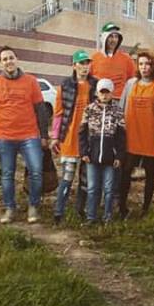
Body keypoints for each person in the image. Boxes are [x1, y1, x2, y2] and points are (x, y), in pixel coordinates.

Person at [0, 46, 50, 224]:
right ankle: (10, 208)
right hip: (4, 137)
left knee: (36, 171)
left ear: (16, 59)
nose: (8, 61)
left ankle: (33, 206)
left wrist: (44, 135)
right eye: (4, 59)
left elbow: (40, 110)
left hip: (30, 136)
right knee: (7, 174)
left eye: (11, 58)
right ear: (0, 63)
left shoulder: (31, 82)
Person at [50, 49, 97, 224]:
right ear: (74, 65)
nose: (85, 67)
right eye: (81, 63)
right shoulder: (66, 85)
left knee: (86, 178)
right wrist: (55, 136)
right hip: (69, 138)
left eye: (87, 63)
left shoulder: (96, 85)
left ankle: (81, 210)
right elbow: (59, 113)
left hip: (90, 139)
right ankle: (58, 212)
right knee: (67, 177)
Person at [118, 48, 154, 218]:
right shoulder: (131, 84)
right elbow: (121, 108)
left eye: (148, 64)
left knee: (150, 174)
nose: (144, 67)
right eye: (141, 64)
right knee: (125, 171)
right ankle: (122, 207)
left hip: (151, 136)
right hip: (131, 136)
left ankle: (145, 209)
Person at [79, 78, 125, 224]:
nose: (104, 95)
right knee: (92, 188)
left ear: (112, 93)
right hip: (92, 156)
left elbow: (122, 135)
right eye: (102, 92)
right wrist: (84, 152)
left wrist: (119, 155)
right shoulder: (89, 109)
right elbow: (82, 132)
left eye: (107, 92)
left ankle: (108, 217)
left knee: (109, 188)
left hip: (110, 157)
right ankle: (91, 217)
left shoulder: (118, 111)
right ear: (97, 93)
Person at [90, 22, 135, 100]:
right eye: (110, 36)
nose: (113, 40)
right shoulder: (94, 58)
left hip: (119, 101)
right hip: (100, 101)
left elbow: (133, 82)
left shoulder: (127, 59)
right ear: (104, 38)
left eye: (116, 36)